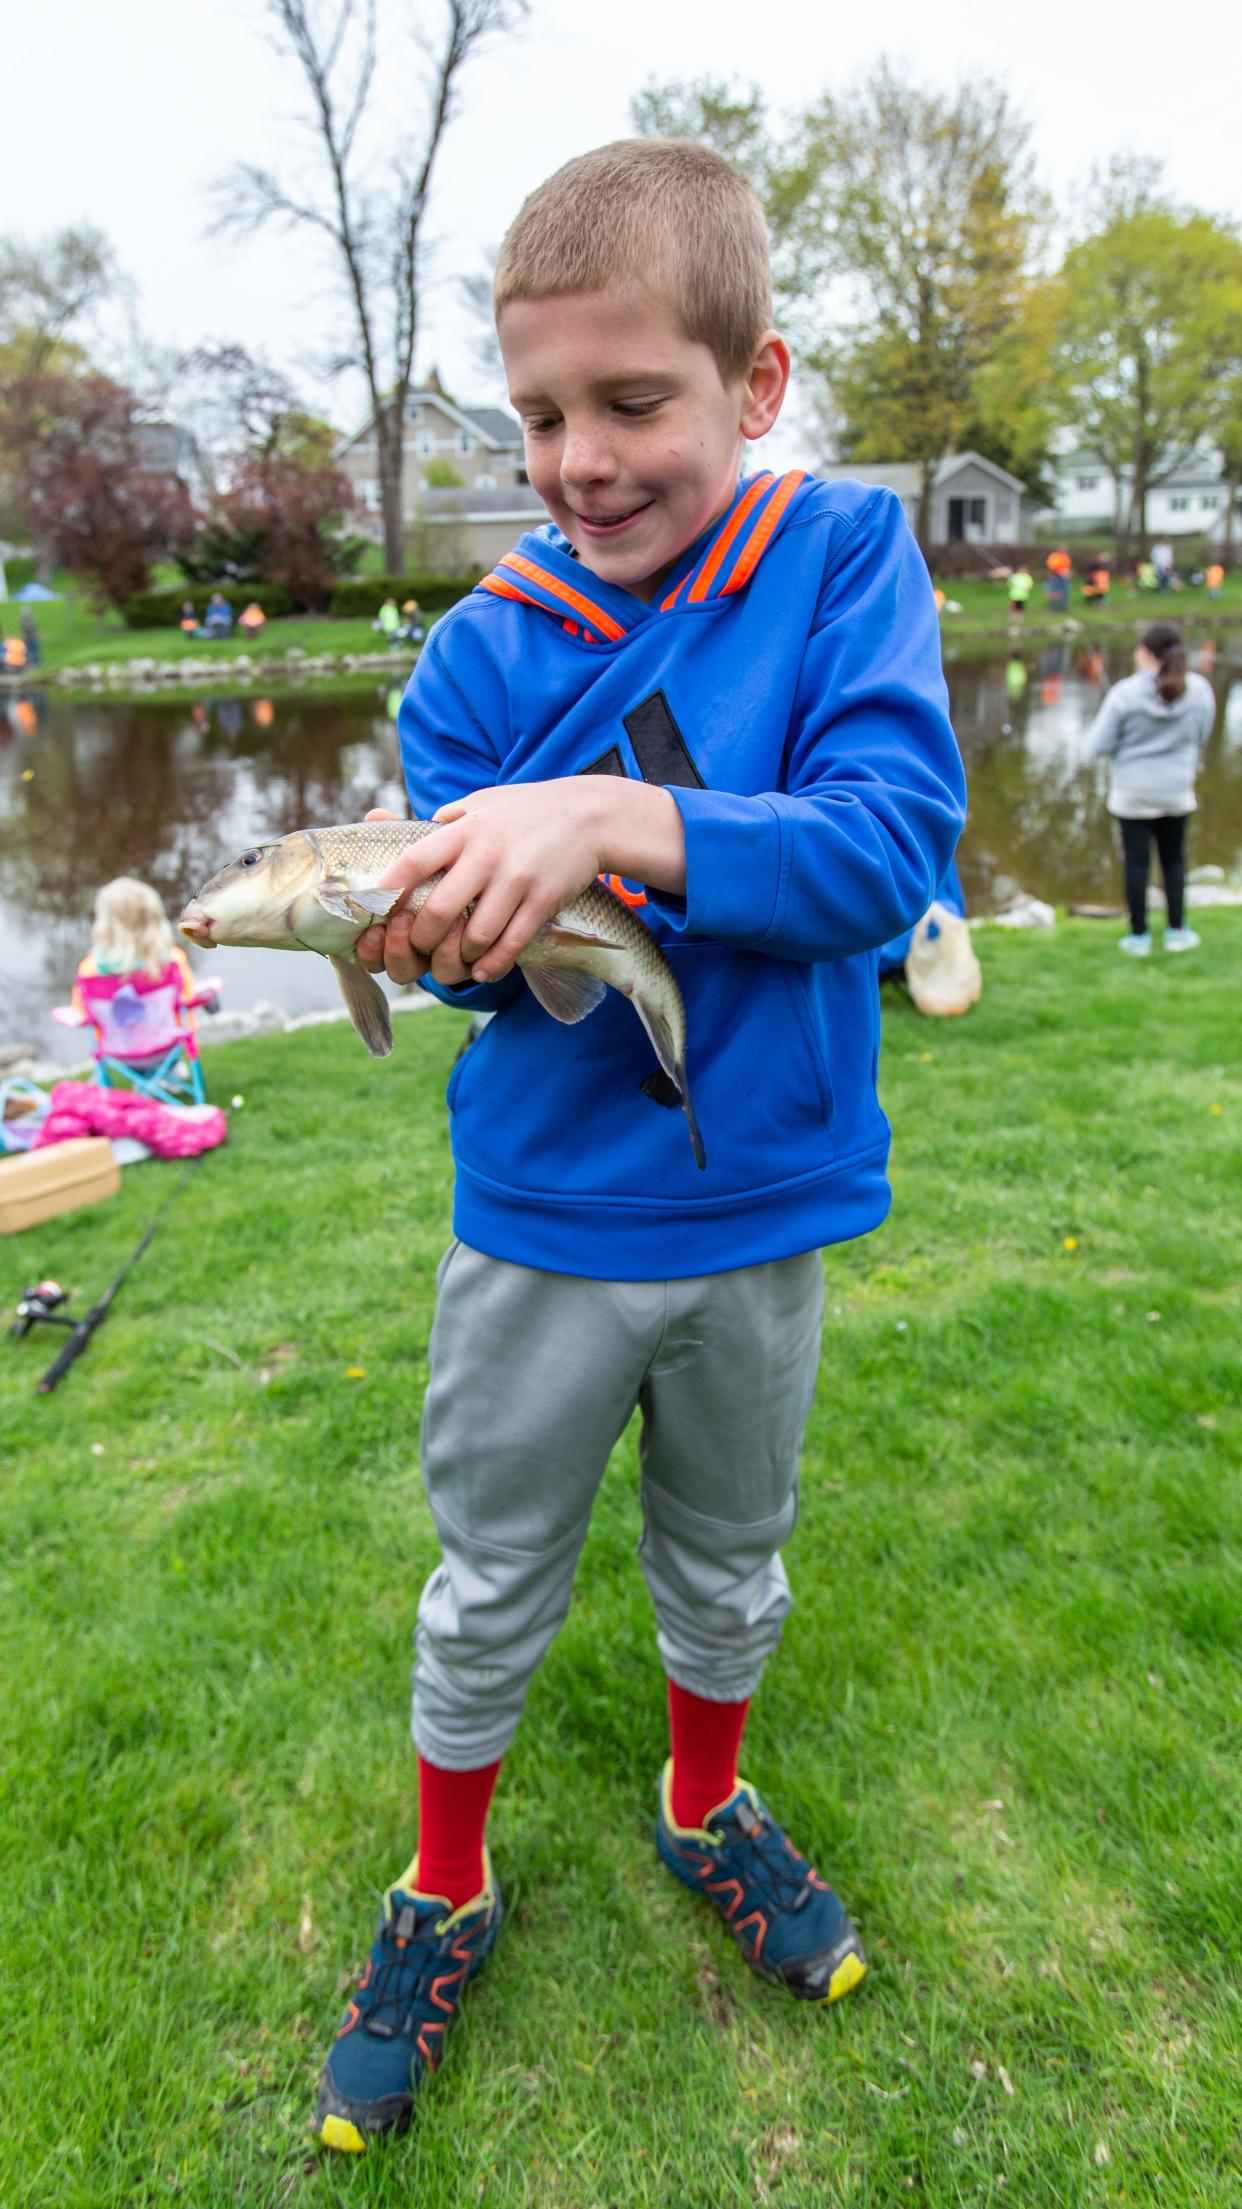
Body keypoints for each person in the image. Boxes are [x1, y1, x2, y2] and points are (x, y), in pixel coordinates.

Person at [309, 138, 965, 2158]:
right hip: (546, 1223)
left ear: (755, 387)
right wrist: (453, 949)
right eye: (536, 415)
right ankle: (445, 1877)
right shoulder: (477, 659)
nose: (578, 459)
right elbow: (504, 990)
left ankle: (706, 1798)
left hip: (766, 1204)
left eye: (632, 403)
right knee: (494, 1569)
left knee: (728, 1556)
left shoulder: (847, 561)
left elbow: (889, 846)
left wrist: (611, 818)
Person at [1086, 620, 1215, 955]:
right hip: (1176, 790)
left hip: (1133, 793)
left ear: (1145, 653)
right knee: (1174, 861)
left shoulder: (1124, 694)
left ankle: (1138, 936)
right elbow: (1202, 736)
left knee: (1136, 864)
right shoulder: (1200, 690)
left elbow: (1098, 745)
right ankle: (1177, 932)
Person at [72, 876, 197, 1015]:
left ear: (104, 924)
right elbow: (188, 997)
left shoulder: (90, 969)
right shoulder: (173, 960)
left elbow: (82, 1012)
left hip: (115, 1037)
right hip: (170, 1036)